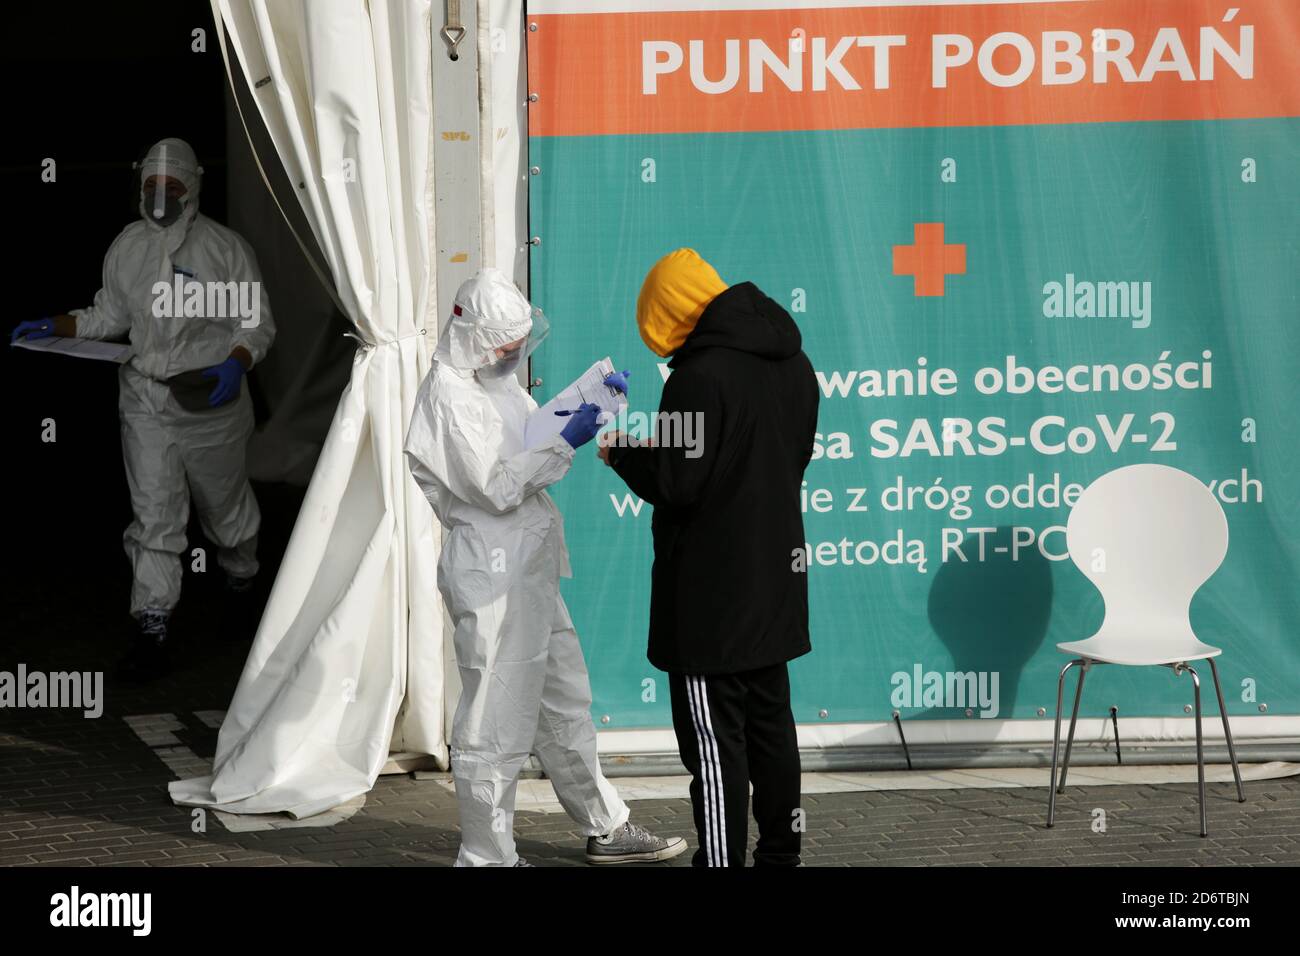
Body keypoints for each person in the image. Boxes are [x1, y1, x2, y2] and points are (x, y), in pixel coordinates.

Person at [403, 267, 686, 867]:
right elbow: (497, 486)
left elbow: (529, 438)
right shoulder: (449, 399)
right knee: (494, 718)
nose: (514, 357)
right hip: (493, 572)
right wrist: (568, 440)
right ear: (478, 339)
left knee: (563, 700)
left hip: (527, 565)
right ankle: (487, 855)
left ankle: (604, 826)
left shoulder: (492, 383)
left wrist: (585, 406)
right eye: (507, 347)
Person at [11, 138, 275, 680]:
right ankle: (152, 627)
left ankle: (241, 582)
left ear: (193, 188)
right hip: (145, 400)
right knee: (154, 515)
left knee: (226, 515)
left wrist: (237, 361)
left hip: (211, 404)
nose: (160, 197)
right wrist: (58, 325)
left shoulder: (225, 250)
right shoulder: (128, 246)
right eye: (151, 187)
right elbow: (107, 314)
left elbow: (257, 323)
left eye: (171, 188)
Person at [599, 248, 819, 867]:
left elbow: (678, 481)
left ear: (670, 313)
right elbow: (778, 461)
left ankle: (719, 862)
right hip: (775, 582)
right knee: (773, 732)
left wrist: (622, 453)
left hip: (709, 601)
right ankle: (782, 855)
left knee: (716, 747)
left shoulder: (699, 376)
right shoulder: (794, 362)